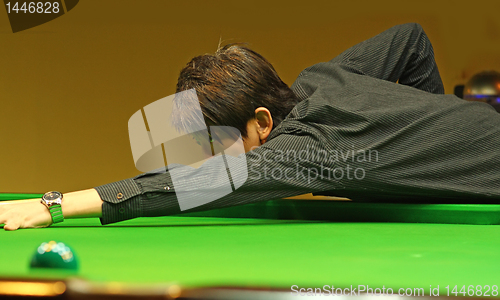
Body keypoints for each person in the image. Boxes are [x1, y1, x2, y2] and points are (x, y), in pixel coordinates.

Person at [2, 23, 500, 231]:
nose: (214, 160)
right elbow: (411, 39)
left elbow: (177, 188)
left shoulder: (305, 151)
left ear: (262, 121)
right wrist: (429, 144)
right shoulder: (320, 80)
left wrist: (55, 206)